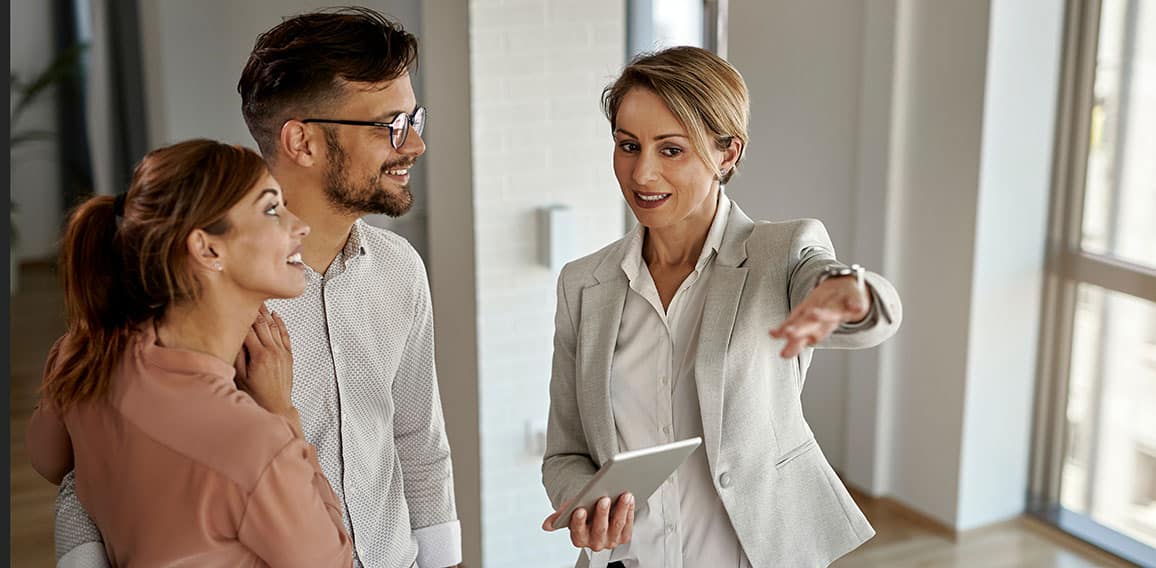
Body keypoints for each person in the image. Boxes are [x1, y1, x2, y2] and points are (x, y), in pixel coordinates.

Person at [50, 8, 461, 568]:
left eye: (417, 119)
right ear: (302, 141)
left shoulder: (400, 270)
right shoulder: (200, 296)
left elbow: (417, 439)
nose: (414, 145)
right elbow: (88, 468)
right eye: (391, 125)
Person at [540, 46, 903, 568]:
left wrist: (850, 292)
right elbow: (565, 454)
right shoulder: (584, 284)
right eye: (628, 145)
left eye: (671, 150)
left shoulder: (780, 254)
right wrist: (585, 502)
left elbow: (851, 296)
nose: (641, 174)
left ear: (727, 154)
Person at [24, 139, 351, 566]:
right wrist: (282, 415)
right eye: (272, 209)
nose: (299, 225)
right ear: (207, 249)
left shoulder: (85, 352)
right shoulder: (256, 442)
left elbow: (49, 461)